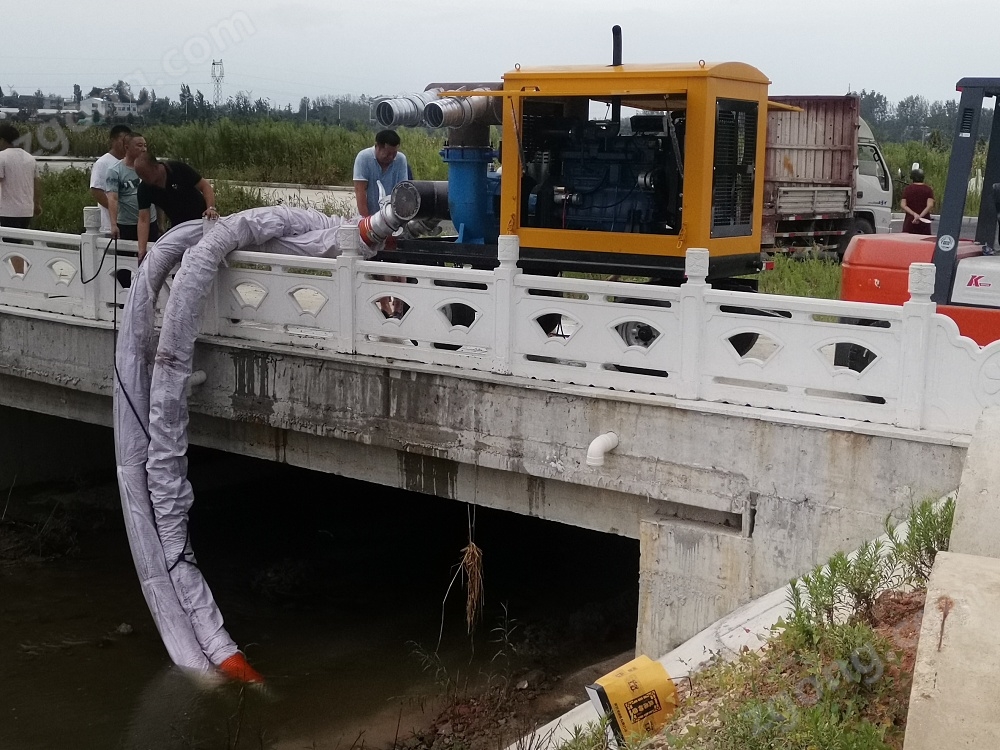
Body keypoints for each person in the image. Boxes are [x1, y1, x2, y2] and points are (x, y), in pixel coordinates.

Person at [135, 153, 218, 261]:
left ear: (155, 167)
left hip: (201, 221)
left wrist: (210, 208)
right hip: (179, 227)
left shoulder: (177, 169)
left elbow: (205, 186)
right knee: (180, 262)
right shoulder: (144, 189)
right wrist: (142, 249)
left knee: (205, 258)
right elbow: (143, 220)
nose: (143, 179)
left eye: (145, 175)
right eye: (140, 176)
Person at [106, 132, 158, 243]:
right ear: (127, 147)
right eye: (139, 146)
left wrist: (161, 223)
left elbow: (159, 194)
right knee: (126, 258)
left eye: (145, 145)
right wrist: (113, 225)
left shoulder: (151, 168)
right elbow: (113, 198)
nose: (143, 149)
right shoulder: (115, 170)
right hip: (127, 224)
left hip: (150, 222)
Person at [353, 129, 409, 217]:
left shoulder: (401, 159)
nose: (391, 157)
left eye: (394, 153)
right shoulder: (363, 157)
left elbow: (403, 191)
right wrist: (366, 221)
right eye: (387, 154)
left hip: (392, 216)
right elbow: (360, 190)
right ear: (377, 146)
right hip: (369, 214)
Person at [0, 123, 41, 235]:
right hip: (26, 211)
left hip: (7, 212)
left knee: (8, 247)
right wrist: (37, 204)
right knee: (18, 245)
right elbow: (36, 182)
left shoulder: (2, 157)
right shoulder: (30, 158)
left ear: (2, 140)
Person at [90, 124, 131, 234]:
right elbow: (96, 190)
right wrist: (116, 211)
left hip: (129, 222)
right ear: (113, 140)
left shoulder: (130, 162)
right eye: (122, 140)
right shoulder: (103, 163)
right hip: (110, 224)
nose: (125, 144)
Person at [901, 168, 935, 234]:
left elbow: (903, 205)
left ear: (912, 178)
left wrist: (914, 215)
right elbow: (930, 205)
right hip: (924, 221)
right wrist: (920, 216)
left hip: (910, 220)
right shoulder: (928, 189)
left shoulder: (908, 189)